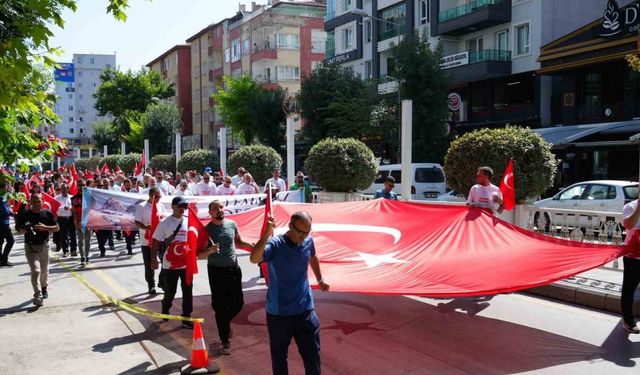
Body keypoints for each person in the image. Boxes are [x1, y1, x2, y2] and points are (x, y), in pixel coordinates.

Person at [251, 211, 329, 375]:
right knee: (279, 358)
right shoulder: (275, 245)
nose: (303, 236)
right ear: (290, 226)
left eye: (307, 232)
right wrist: (266, 233)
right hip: (280, 314)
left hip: (305, 310)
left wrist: (320, 279)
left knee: (312, 355)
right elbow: (254, 258)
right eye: (300, 232)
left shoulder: (308, 241)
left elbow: (312, 256)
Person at [203, 200, 255, 355]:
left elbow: (238, 242)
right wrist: (209, 251)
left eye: (221, 207)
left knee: (238, 303)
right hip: (216, 271)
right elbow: (198, 254)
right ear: (210, 212)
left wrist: (254, 247)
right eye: (215, 208)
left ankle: (225, 323)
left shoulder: (232, 224)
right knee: (219, 307)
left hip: (233, 270)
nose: (219, 210)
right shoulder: (206, 230)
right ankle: (224, 339)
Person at [150, 196, 193, 329]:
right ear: (173, 206)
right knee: (170, 292)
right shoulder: (165, 223)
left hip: (186, 264)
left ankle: (186, 317)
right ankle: (165, 307)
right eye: (180, 206)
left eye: (184, 206)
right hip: (170, 265)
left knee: (187, 292)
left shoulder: (189, 221)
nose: (182, 209)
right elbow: (156, 242)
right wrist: (154, 261)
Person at [15, 193, 59, 306]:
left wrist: (45, 228)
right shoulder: (24, 214)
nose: (36, 204)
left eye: (38, 201)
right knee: (36, 270)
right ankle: (37, 295)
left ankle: (44, 288)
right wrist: (23, 230)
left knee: (44, 271)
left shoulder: (47, 214)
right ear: (30, 202)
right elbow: (18, 228)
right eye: (33, 202)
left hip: (44, 245)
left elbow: (56, 228)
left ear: (43, 202)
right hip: (30, 246)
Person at [134, 187, 164, 294]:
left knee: (165, 261)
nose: (159, 199)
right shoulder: (141, 207)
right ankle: (151, 285)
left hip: (160, 239)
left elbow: (163, 218)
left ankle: (162, 281)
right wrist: (147, 227)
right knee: (149, 264)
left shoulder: (161, 206)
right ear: (151, 196)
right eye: (157, 197)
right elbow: (137, 222)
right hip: (147, 241)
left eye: (160, 196)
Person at [621, 198, 640, 333]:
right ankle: (628, 321)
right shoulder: (630, 206)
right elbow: (628, 224)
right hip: (633, 257)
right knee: (629, 290)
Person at [54, 183, 77, 257]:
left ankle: (73, 250)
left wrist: (71, 208)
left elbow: (75, 207)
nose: (63, 190)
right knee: (63, 236)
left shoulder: (72, 197)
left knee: (72, 235)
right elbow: (54, 209)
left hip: (70, 218)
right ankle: (65, 251)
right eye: (62, 189)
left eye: (65, 188)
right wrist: (63, 208)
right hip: (61, 218)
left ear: (68, 189)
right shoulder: (57, 198)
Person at [71, 180, 91, 265]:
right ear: (77, 186)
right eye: (79, 185)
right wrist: (76, 222)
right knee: (80, 240)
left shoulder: (90, 196)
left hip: (88, 222)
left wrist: (90, 222)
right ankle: (82, 257)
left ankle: (87, 256)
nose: (81, 187)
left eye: (83, 185)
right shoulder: (74, 198)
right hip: (79, 222)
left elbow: (92, 210)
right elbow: (74, 211)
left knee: (87, 241)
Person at [0, 187, 15, 266]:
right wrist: (11, 213)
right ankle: (4, 259)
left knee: (0, 241)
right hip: (3, 223)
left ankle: (1, 259)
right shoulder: (2, 198)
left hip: (3, 222)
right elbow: (5, 211)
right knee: (11, 241)